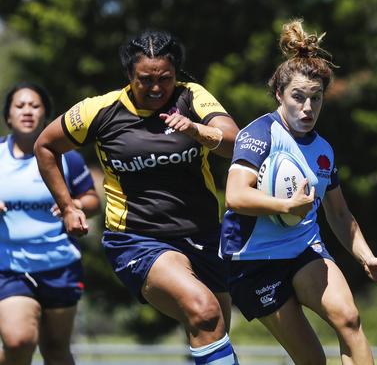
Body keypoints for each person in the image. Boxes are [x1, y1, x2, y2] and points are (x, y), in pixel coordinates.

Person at [34, 30, 240, 365]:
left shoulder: (192, 97)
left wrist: (195, 130)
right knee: (204, 311)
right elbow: (45, 145)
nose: (157, 88)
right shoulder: (99, 111)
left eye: (166, 79)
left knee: (212, 329)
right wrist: (69, 205)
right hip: (138, 239)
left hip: (204, 235)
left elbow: (234, 142)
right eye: (145, 79)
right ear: (129, 75)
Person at [220, 19, 377, 365]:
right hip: (253, 261)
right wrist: (286, 205)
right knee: (312, 360)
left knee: (349, 319)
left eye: (316, 99)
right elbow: (235, 196)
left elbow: (339, 214)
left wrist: (368, 258)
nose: (307, 108)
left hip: (302, 248)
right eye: (298, 97)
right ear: (279, 94)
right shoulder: (258, 135)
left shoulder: (323, 150)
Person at [0, 82, 100, 365]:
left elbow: (93, 201)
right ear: (8, 116)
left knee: (56, 349)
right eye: (20, 106)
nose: (27, 111)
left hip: (60, 264)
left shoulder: (67, 158)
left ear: (45, 114)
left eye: (34, 105)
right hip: (9, 267)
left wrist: (76, 205)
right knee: (19, 340)